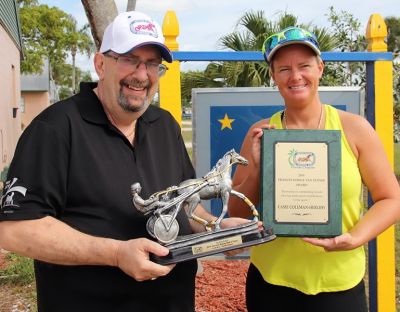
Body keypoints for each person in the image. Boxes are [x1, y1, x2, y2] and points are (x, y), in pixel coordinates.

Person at [0, 11, 247, 312]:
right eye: (130, 59)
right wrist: (116, 253)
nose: (142, 75)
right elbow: (16, 229)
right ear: (101, 64)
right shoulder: (55, 128)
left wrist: (218, 230)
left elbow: (185, 204)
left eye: (153, 64)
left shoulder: (165, 125)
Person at [228, 26, 400, 312]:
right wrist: (257, 170)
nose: (295, 76)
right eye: (284, 68)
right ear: (274, 76)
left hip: (338, 283)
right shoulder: (260, 133)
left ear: (320, 68)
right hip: (272, 282)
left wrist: (354, 238)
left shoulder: (354, 129)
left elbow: (391, 199)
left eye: (304, 66)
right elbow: (237, 213)